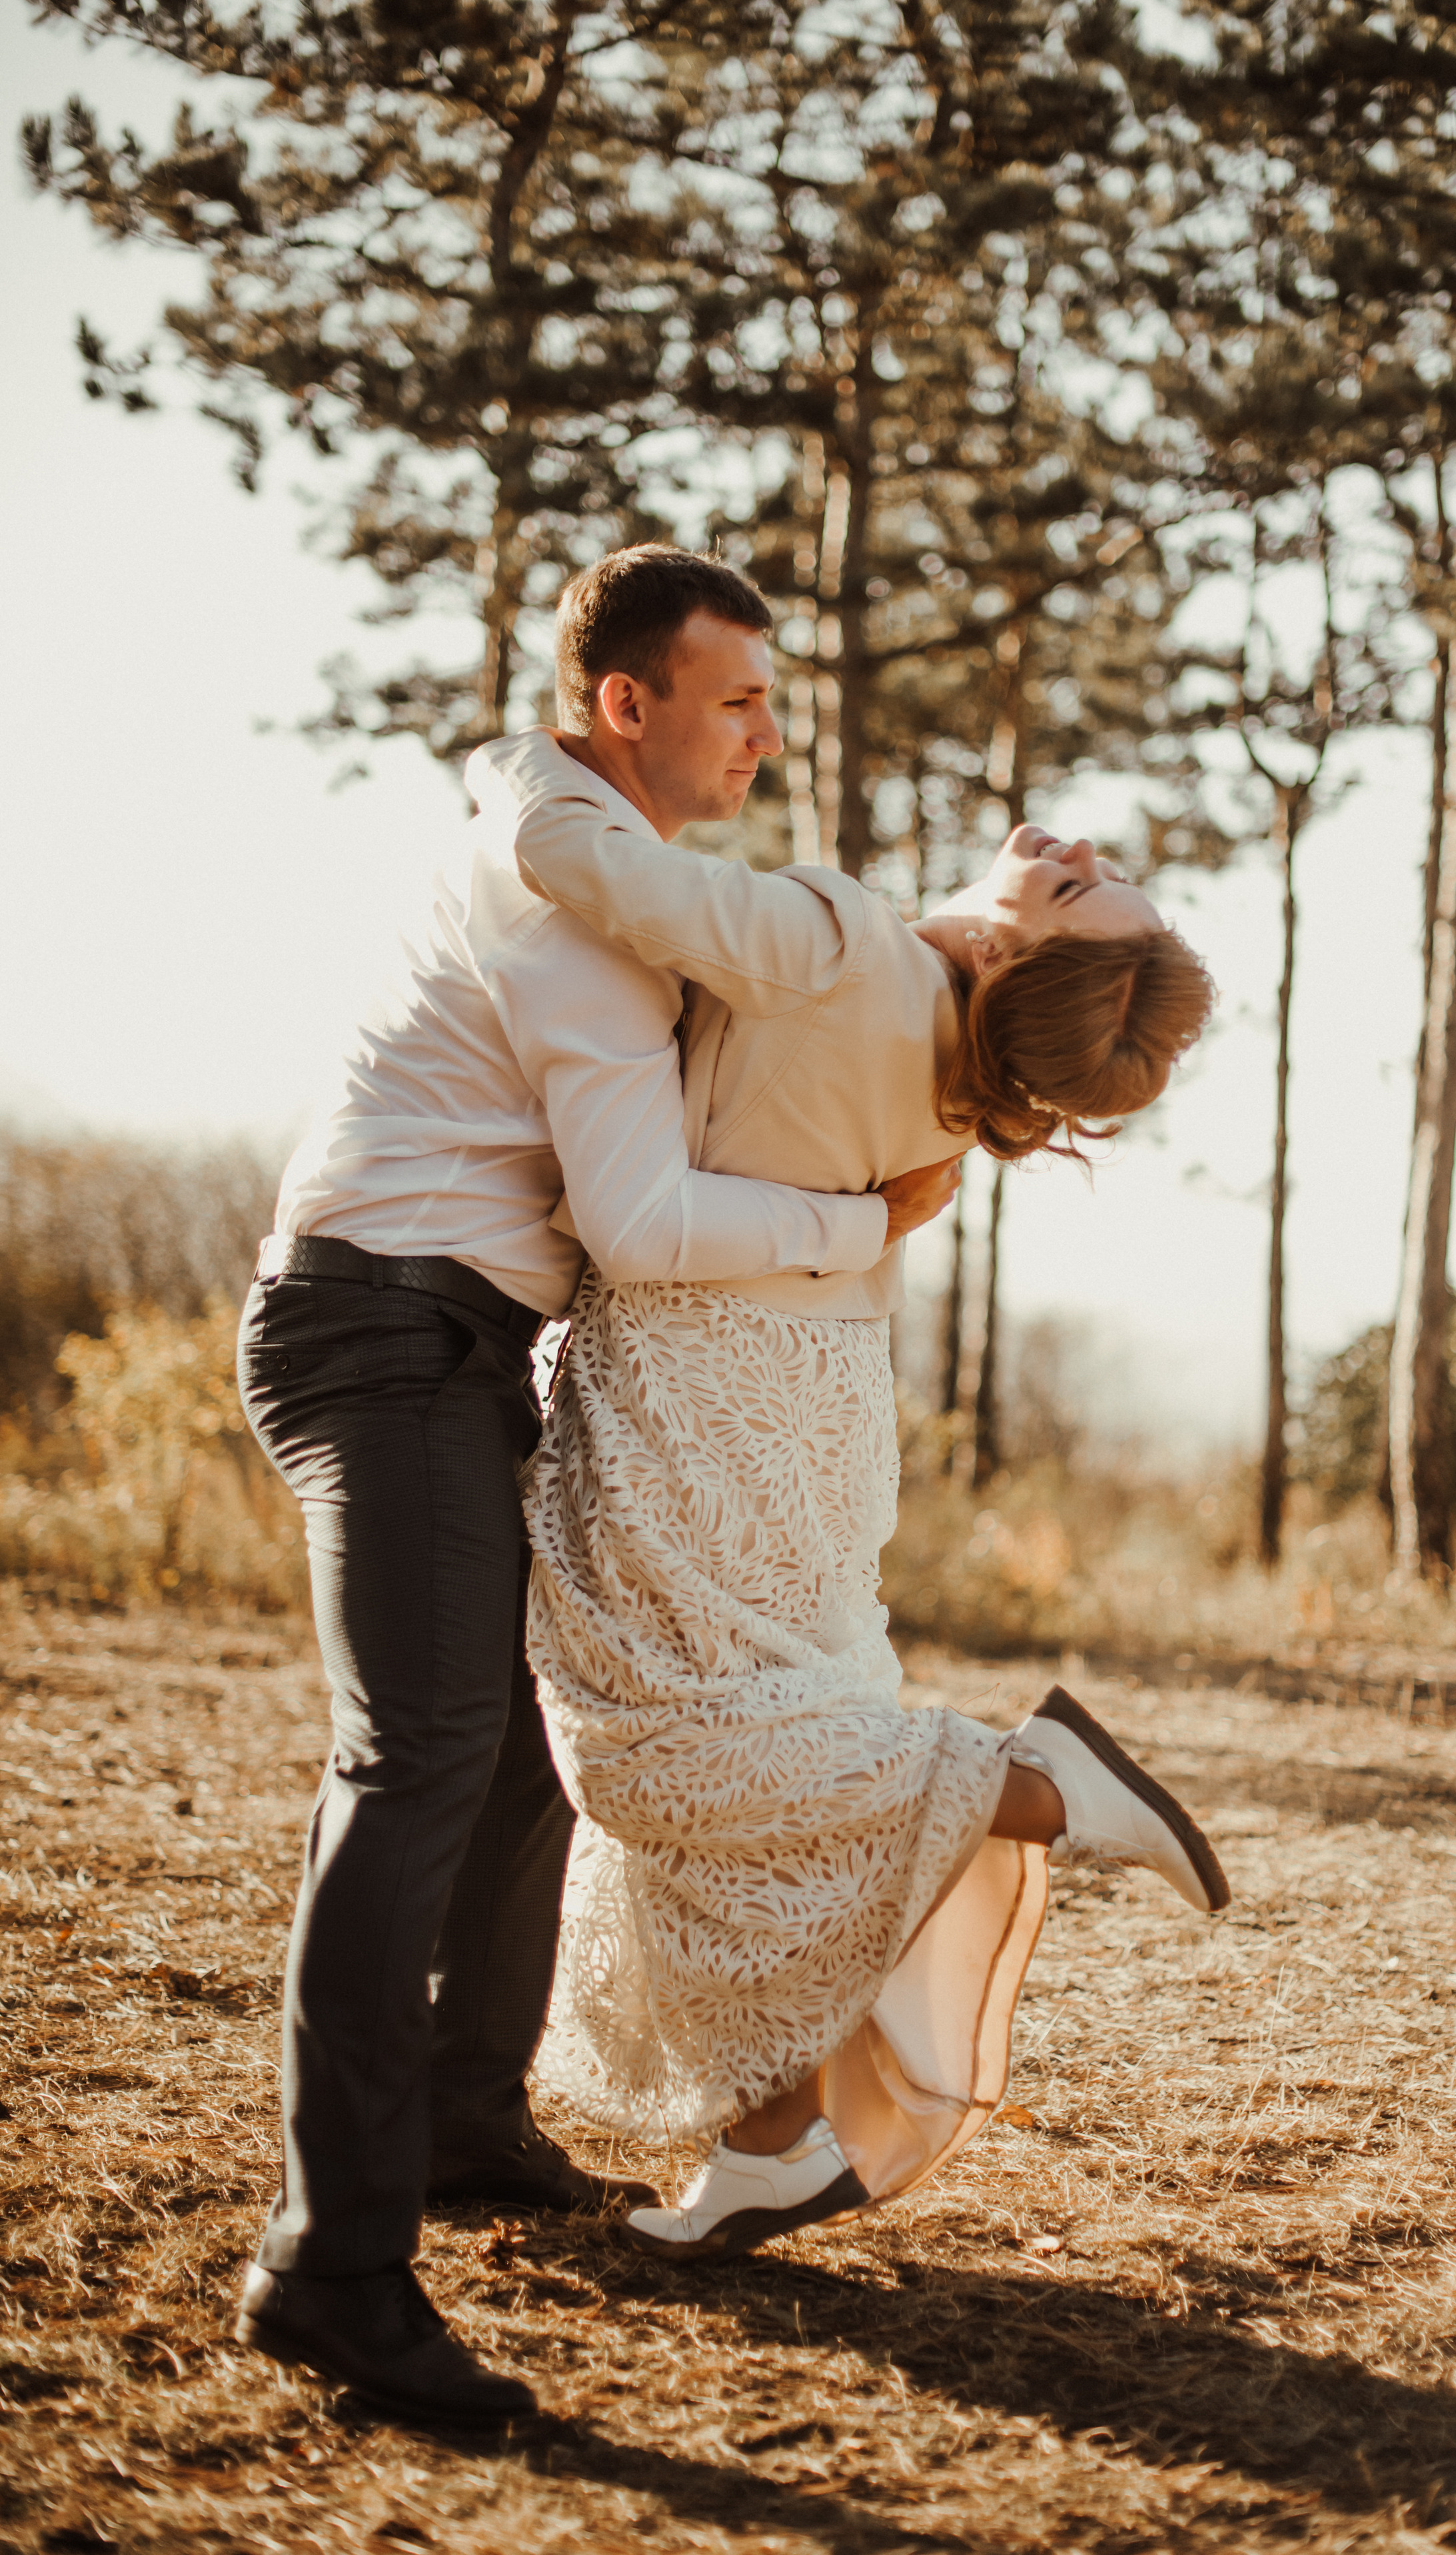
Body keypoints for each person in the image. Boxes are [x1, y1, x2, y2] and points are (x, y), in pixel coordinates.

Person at [231, 550, 962, 2426]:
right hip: (381, 1331)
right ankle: (329, 2268)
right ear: (626, 703)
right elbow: (639, 1219)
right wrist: (855, 1224)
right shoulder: (568, 907)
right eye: (737, 701)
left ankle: (472, 2120)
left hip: (466, 1341)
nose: (769, 734)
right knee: (414, 1760)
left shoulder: (578, 844)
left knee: (523, 1752)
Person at [466, 551, 1226, 2264]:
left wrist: (504, 755)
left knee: (646, 1745)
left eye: (1089, 899)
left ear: (1024, 953)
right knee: (761, 1741)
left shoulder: (828, 942)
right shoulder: (964, 1079)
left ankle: (1021, 1782)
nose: (1086, 859)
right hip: (818, 1402)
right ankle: (770, 2137)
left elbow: (579, 852)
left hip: (698, 1388)